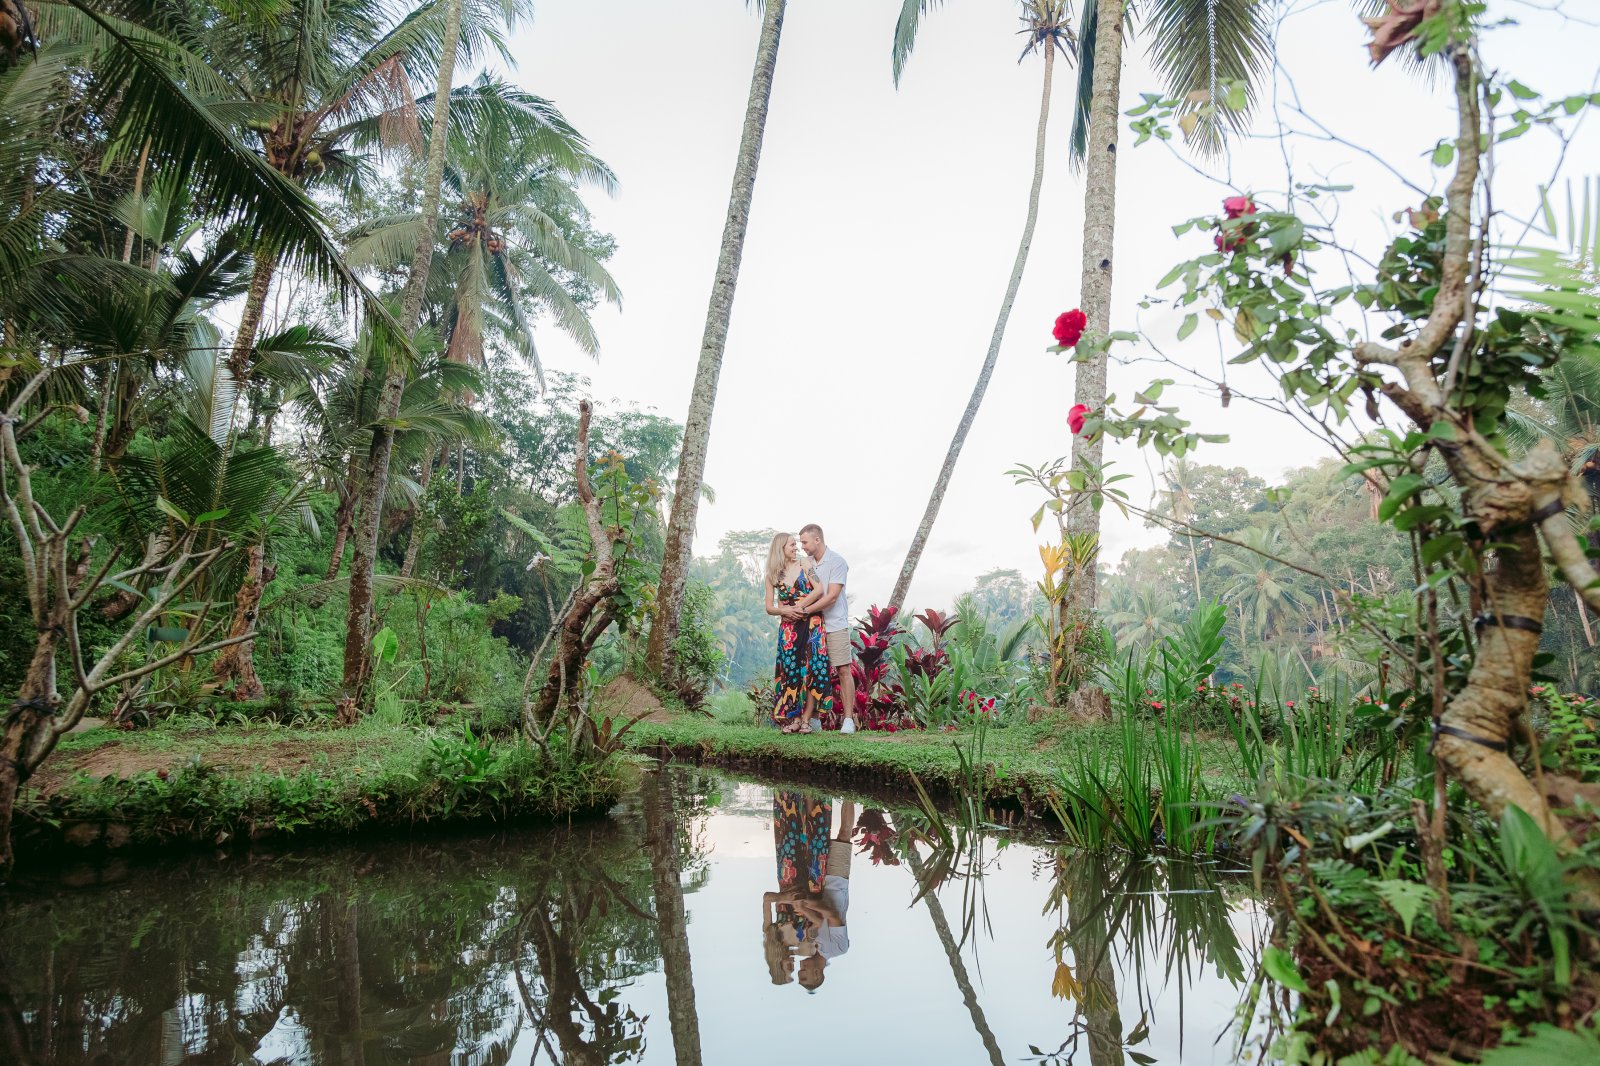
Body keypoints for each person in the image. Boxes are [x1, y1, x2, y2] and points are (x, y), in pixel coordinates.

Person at [763, 532, 833, 734]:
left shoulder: (805, 564)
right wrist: (784, 611)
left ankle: (806, 720)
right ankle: (794, 719)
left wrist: (800, 608)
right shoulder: (772, 575)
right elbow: (769, 607)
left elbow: (819, 590)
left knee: (813, 668)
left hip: (812, 622)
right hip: (789, 627)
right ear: (781, 548)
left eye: (796, 544)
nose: (796, 548)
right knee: (791, 671)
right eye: (792, 545)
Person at [795, 524, 856, 734]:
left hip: (834, 624)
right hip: (812, 627)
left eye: (804, 542)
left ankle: (848, 720)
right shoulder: (806, 563)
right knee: (813, 671)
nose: (802, 546)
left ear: (817, 540)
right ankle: (813, 719)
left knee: (843, 669)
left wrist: (805, 610)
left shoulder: (837, 562)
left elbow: (831, 597)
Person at [794, 799, 855, 992]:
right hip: (836, 882)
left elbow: (819, 920)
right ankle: (850, 794)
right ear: (817, 975)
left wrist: (804, 909)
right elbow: (832, 915)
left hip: (819, 879)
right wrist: (807, 904)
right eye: (804, 973)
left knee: (816, 833)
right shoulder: (839, 949)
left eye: (799, 971)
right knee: (844, 834)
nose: (801, 967)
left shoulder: (817, 945)